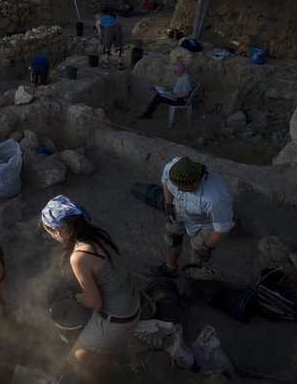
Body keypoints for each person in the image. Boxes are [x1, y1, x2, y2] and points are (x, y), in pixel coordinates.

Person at [40, 195, 140, 383]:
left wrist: (75, 297)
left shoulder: (79, 256)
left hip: (115, 321)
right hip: (132, 307)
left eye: (49, 232)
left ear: (57, 231)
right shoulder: (98, 231)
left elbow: (95, 303)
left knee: (74, 361)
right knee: (104, 357)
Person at [148, 156, 234, 277]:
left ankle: (194, 277)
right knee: (172, 238)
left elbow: (223, 227)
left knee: (198, 253)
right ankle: (170, 268)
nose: (177, 188)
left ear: (195, 182)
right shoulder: (172, 169)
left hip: (205, 223)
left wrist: (207, 247)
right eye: (175, 185)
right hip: (179, 209)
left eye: (182, 187)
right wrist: (168, 205)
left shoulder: (215, 199)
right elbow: (165, 181)